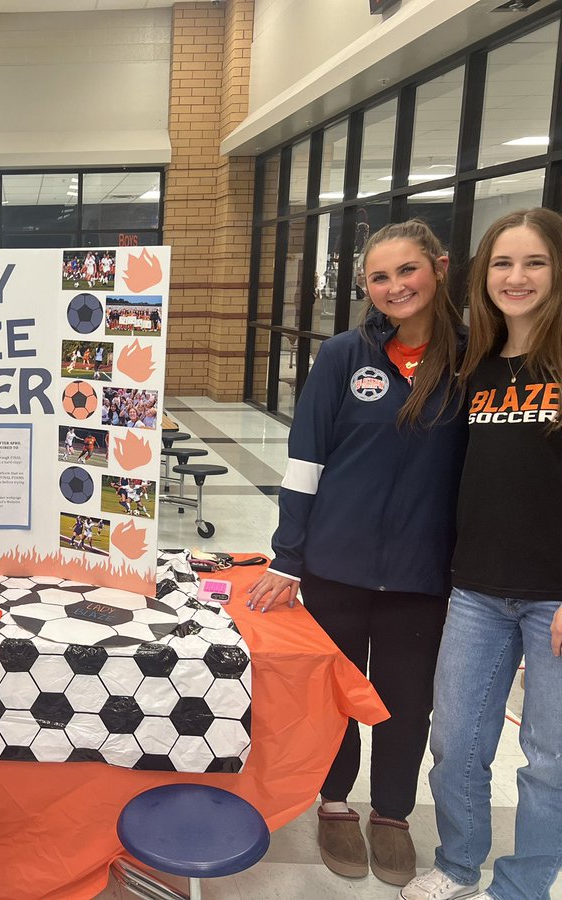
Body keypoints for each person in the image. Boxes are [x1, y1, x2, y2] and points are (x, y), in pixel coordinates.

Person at [247, 219, 468, 887]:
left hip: (421, 573)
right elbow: (306, 459)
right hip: (334, 564)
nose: (395, 286)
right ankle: (335, 800)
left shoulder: (469, 358)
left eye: (407, 270)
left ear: (439, 268)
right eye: (379, 276)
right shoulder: (345, 355)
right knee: (337, 692)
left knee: (406, 700)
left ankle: (394, 814)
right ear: (365, 287)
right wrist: (289, 556)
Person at [402, 208, 562, 900]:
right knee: (458, 747)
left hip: (555, 595)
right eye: (503, 263)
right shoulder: (478, 367)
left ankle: (523, 888)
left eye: (534, 262)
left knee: (548, 762)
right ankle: (460, 864)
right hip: (476, 591)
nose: (516, 277)